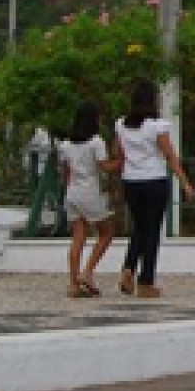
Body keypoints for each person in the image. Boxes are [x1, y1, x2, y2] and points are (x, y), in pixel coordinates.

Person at [114, 81, 194, 299]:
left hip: (131, 181)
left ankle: (129, 267)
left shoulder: (121, 124)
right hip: (154, 181)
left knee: (139, 228)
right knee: (152, 231)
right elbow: (169, 155)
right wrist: (185, 182)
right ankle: (146, 280)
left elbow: (119, 154)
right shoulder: (157, 126)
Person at [57, 101, 119, 299]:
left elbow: (65, 173)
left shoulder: (65, 145)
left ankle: (73, 284)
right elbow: (104, 167)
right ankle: (88, 271)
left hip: (72, 193)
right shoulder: (96, 142)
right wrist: (121, 161)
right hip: (90, 192)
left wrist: (66, 194)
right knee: (107, 231)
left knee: (78, 238)